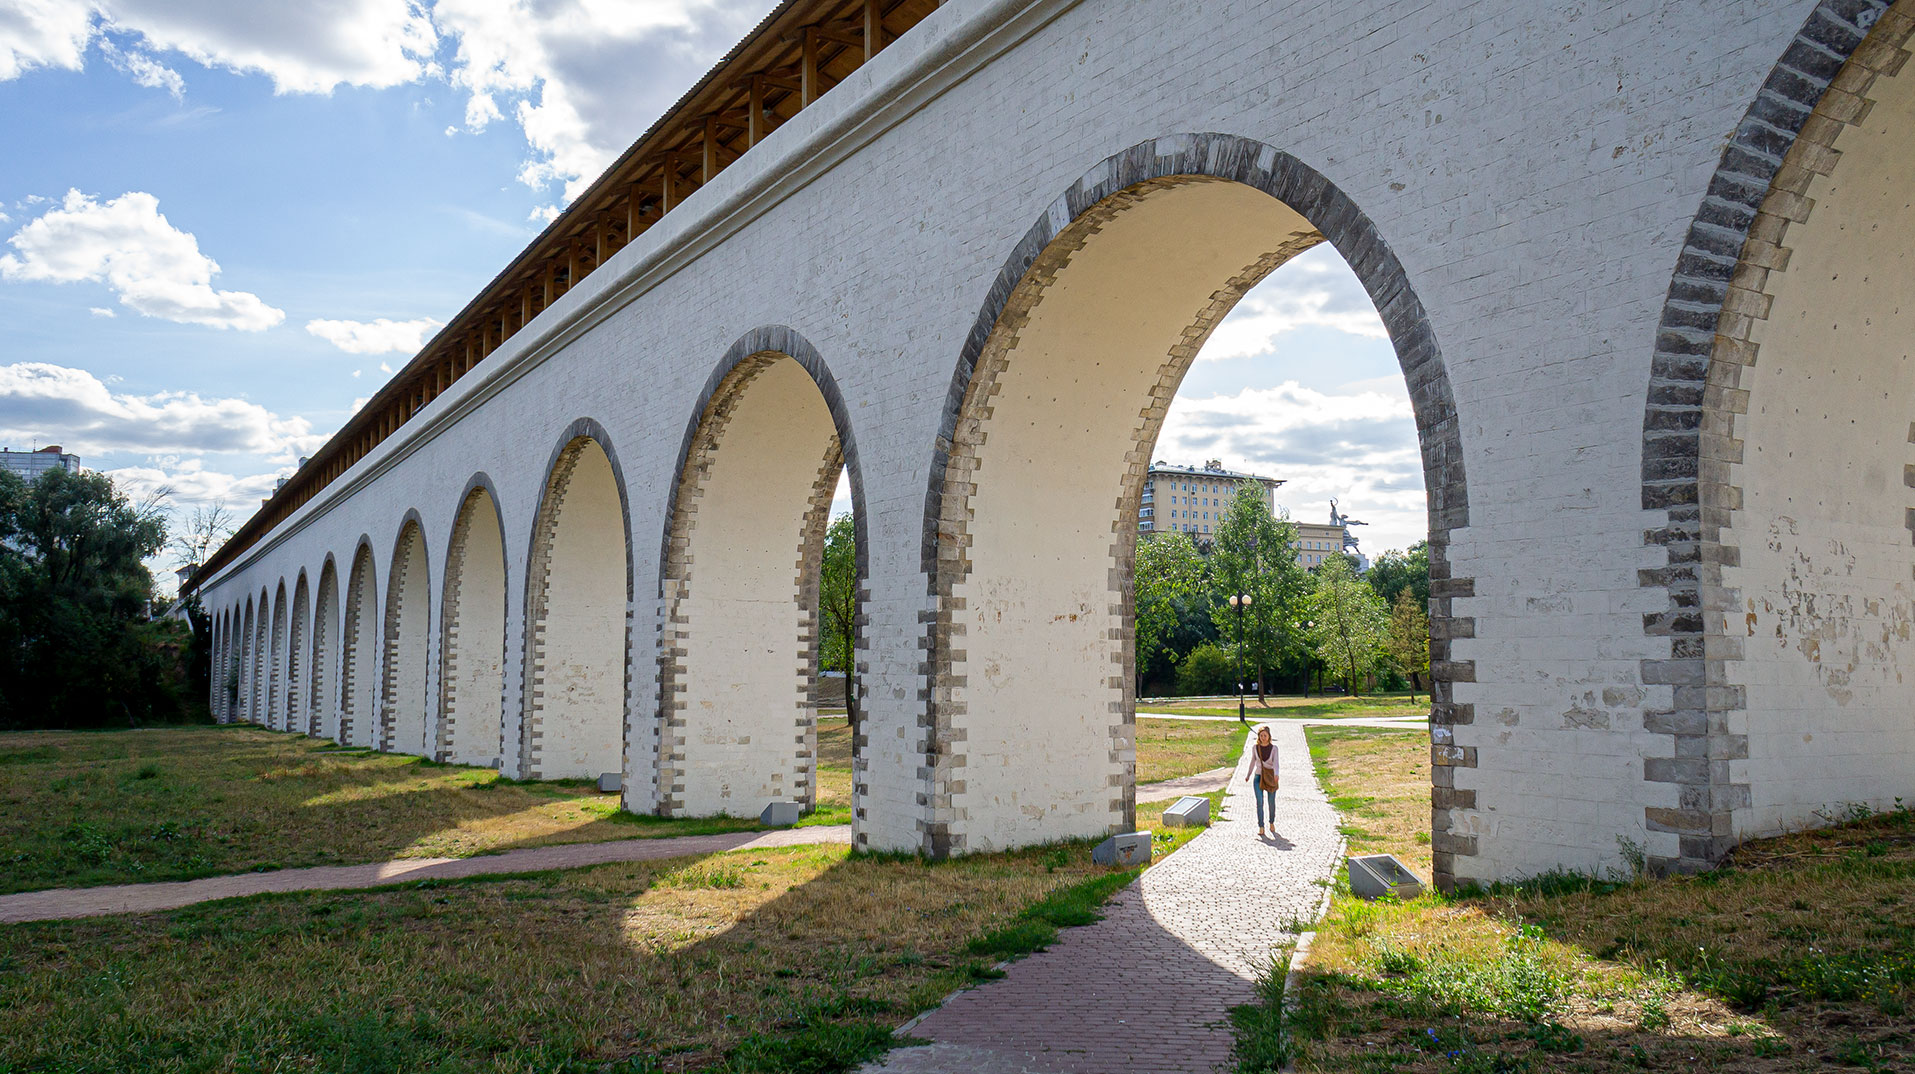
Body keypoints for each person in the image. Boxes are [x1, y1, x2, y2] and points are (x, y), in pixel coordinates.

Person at [1246, 725, 1279, 838]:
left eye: (1265, 735)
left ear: (1269, 736)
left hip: (1270, 777)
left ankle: (1271, 822)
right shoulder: (1255, 748)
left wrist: (1276, 774)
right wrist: (1248, 775)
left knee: (1271, 801)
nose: (1263, 737)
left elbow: (1276, 763)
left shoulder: (1274, 749)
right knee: (1259, 802)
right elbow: (1252, 761)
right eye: (1261, 735)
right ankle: (1261, 826)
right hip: (1258, 777)